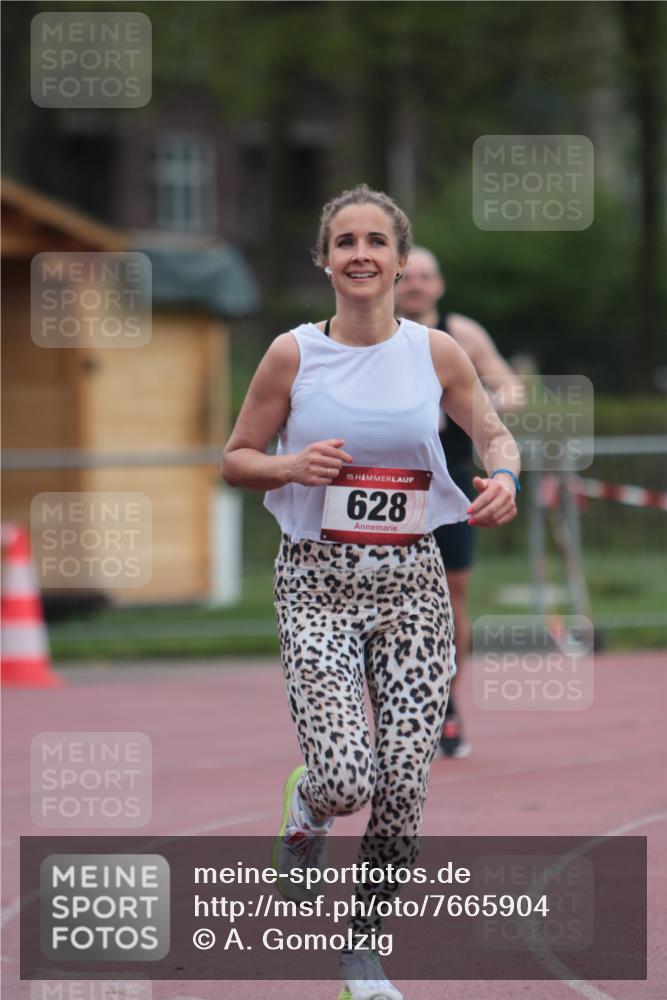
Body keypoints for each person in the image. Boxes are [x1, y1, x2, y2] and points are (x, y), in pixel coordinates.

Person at [222, 184, 520, 1000]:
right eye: (344, 241)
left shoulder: (436, 353)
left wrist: (500, 475)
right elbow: (235, 456)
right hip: (316, 580)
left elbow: (490, 430)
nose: (360, 254)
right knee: (349, 778)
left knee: (402, 783)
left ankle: (362, 950)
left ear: (398, 260)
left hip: (411, 584)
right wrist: (289, 465)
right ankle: (310, 809)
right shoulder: (291, 353)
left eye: (375, 242)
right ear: (324, 258)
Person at [395, 248, 524, 758]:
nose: (417, 286)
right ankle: (386, 708)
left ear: (439, 286)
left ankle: (447, 703)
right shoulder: (374, 333)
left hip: (448, 484)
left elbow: (509, 383)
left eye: (427, 277)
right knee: (376, 593)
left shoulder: (458, 335)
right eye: (410, 277)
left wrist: (495, 403)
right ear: (394, 281)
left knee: (453, 594)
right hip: (387, 484)